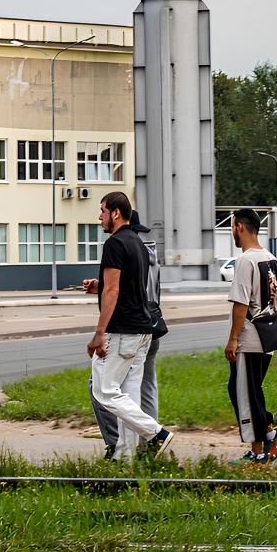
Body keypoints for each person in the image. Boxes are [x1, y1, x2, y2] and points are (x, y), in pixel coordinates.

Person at [87, 192, 174, 461]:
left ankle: (156, 433)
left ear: (115, 213)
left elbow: (113, 291)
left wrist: (99, 334)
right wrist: (100, 287)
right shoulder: (137, 242)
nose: (100, 216)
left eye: (102, 211)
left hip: (122, 331)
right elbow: (129, 286)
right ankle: (125, 457)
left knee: (103, 390)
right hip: (143, 330)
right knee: (129, 395)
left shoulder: (114, 243)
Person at [224, 208, 277, 465]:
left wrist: (233, 339)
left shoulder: (245, 260)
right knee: (246, 390)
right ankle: (266, 439)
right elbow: (276, 300)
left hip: (249, 338)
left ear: (239, 227)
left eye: (232, 227)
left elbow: (240, 304)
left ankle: (262, 448)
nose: (233, 233)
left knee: (246, 394)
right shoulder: (271, 258)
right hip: (268, 334)